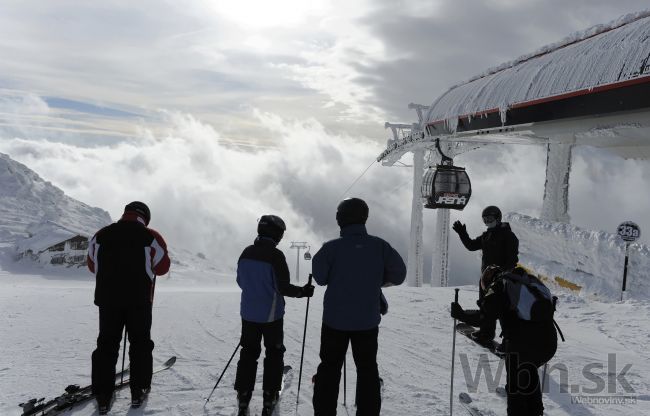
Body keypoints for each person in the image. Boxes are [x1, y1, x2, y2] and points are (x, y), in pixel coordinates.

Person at [312, 198, 406, 416]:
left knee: (329, 367)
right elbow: (399, 275)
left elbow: (320, 278)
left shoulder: (330, 249)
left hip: (335, 321)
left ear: (340, 219)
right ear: (364, 217)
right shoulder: (380, 246)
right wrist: (375, 279)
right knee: (367, 369)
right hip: (367, 321)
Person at [87, 201, 170, 414]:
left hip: (107, 300)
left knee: (106, 344)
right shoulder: (151, 236)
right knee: (140, 343)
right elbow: (162, 267)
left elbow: (91, 265)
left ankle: (103, 394)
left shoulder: (101, 234)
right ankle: (139, 389)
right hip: (139, 301)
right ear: (145, 217)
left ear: (126, 214)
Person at [234, 214, 314, 416]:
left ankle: (243, 398)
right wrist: (303, 291)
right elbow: (283, 287)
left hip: (249, 314)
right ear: (276, 234)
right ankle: (269, 398)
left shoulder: (246, 253)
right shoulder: (275, 256)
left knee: (248, 353)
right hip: (271, 317)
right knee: (274, 354)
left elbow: (241, 281)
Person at [451, 266, 558, 416]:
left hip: (524, 346)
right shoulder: (526, 281)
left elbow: (484, 318)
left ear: (487, 282)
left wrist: (461, 314)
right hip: (549, 343)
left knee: (516, 388)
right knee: (529, 372)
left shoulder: (499, 286)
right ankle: (535, 412)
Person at [452, 205, 518, 344]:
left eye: (490, 218)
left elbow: (512, 260)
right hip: (486, 279)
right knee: (485, 306)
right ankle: (486, 333)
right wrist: (462, 233)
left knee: (502, 309)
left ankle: (509, 340)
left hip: (501, 280)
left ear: (498, 218)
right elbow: (471, 246)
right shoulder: (486, 236)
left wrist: (502, 273)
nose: (487, 222)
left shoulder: (508, 236)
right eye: (485, 219)